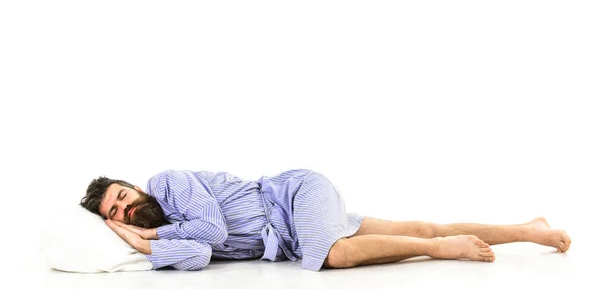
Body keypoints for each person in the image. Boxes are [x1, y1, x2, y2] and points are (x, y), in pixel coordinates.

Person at [80, 168, 571, 271]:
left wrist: (148, 233)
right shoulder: (157, 232)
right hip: (295, 231)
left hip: (296, 196)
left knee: (332, 255)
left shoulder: (169, 184)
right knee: (419, 226)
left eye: (124, 197)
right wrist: (146, 244)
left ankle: (446, 249)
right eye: (117, 215)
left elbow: (212, 231)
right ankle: (530, 229)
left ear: (136, 185)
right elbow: (201, 254)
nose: (127, 210)